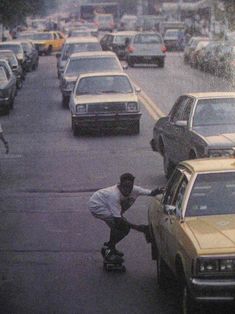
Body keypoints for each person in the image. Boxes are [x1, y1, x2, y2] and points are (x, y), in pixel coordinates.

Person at [88, 173, 164, 262]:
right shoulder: (114, 196)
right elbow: (118, 220)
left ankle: (110, 246)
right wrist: (139, 228)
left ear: (132, 185)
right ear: (120, 185)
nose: (127, 190)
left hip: (107, 205)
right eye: (125, 187)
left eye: (129, 187)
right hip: (97, 205)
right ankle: (109, 251)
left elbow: (151, 193)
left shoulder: (135, 190)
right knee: (121, 227)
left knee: (120, 227)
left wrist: (161, 190)